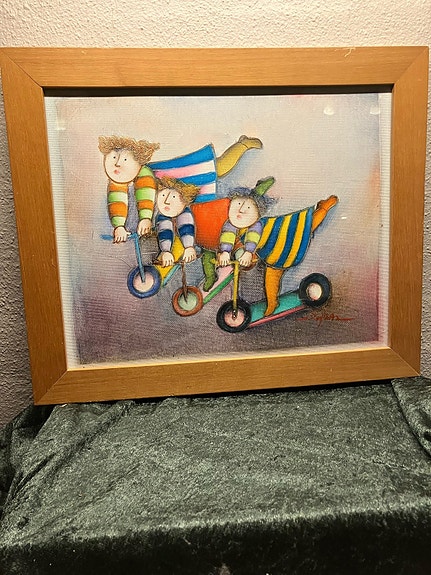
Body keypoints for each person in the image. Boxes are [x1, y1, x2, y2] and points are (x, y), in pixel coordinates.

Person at [99, 135, 263, 243]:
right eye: (113, 158)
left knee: (218, 168)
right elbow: (116, 201)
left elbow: (145, 197)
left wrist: (145, 219)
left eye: (124, 160)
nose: (117, 164)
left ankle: (243, 144)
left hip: (183, 176)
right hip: (174, 197)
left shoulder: (144, 175)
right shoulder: (117, 181)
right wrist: (118, 226)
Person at [155, 177, 200, 267]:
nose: (166, 201)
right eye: (163, 195)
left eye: (174, 197)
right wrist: (166, 251)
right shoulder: (156, 210)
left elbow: (186, 224)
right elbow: (164, 228)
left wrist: (189, 246)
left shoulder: (184, 213)